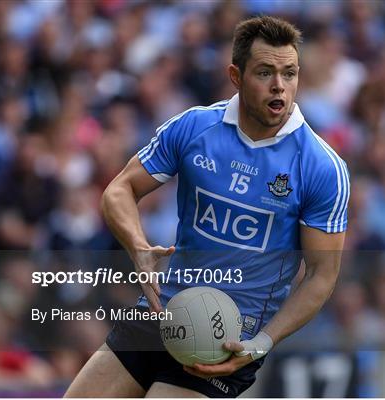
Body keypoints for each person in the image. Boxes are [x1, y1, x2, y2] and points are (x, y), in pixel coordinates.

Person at [65, 16, 349, 398]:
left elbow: (321, 275)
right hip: (158, 312)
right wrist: (138, 247)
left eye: (290, 73)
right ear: (236, 75)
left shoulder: (320, 166)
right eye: (265, 72)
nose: (280, 86)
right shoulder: (195, 127)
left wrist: (262, 342)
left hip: (224, 341)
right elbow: (120, 189)